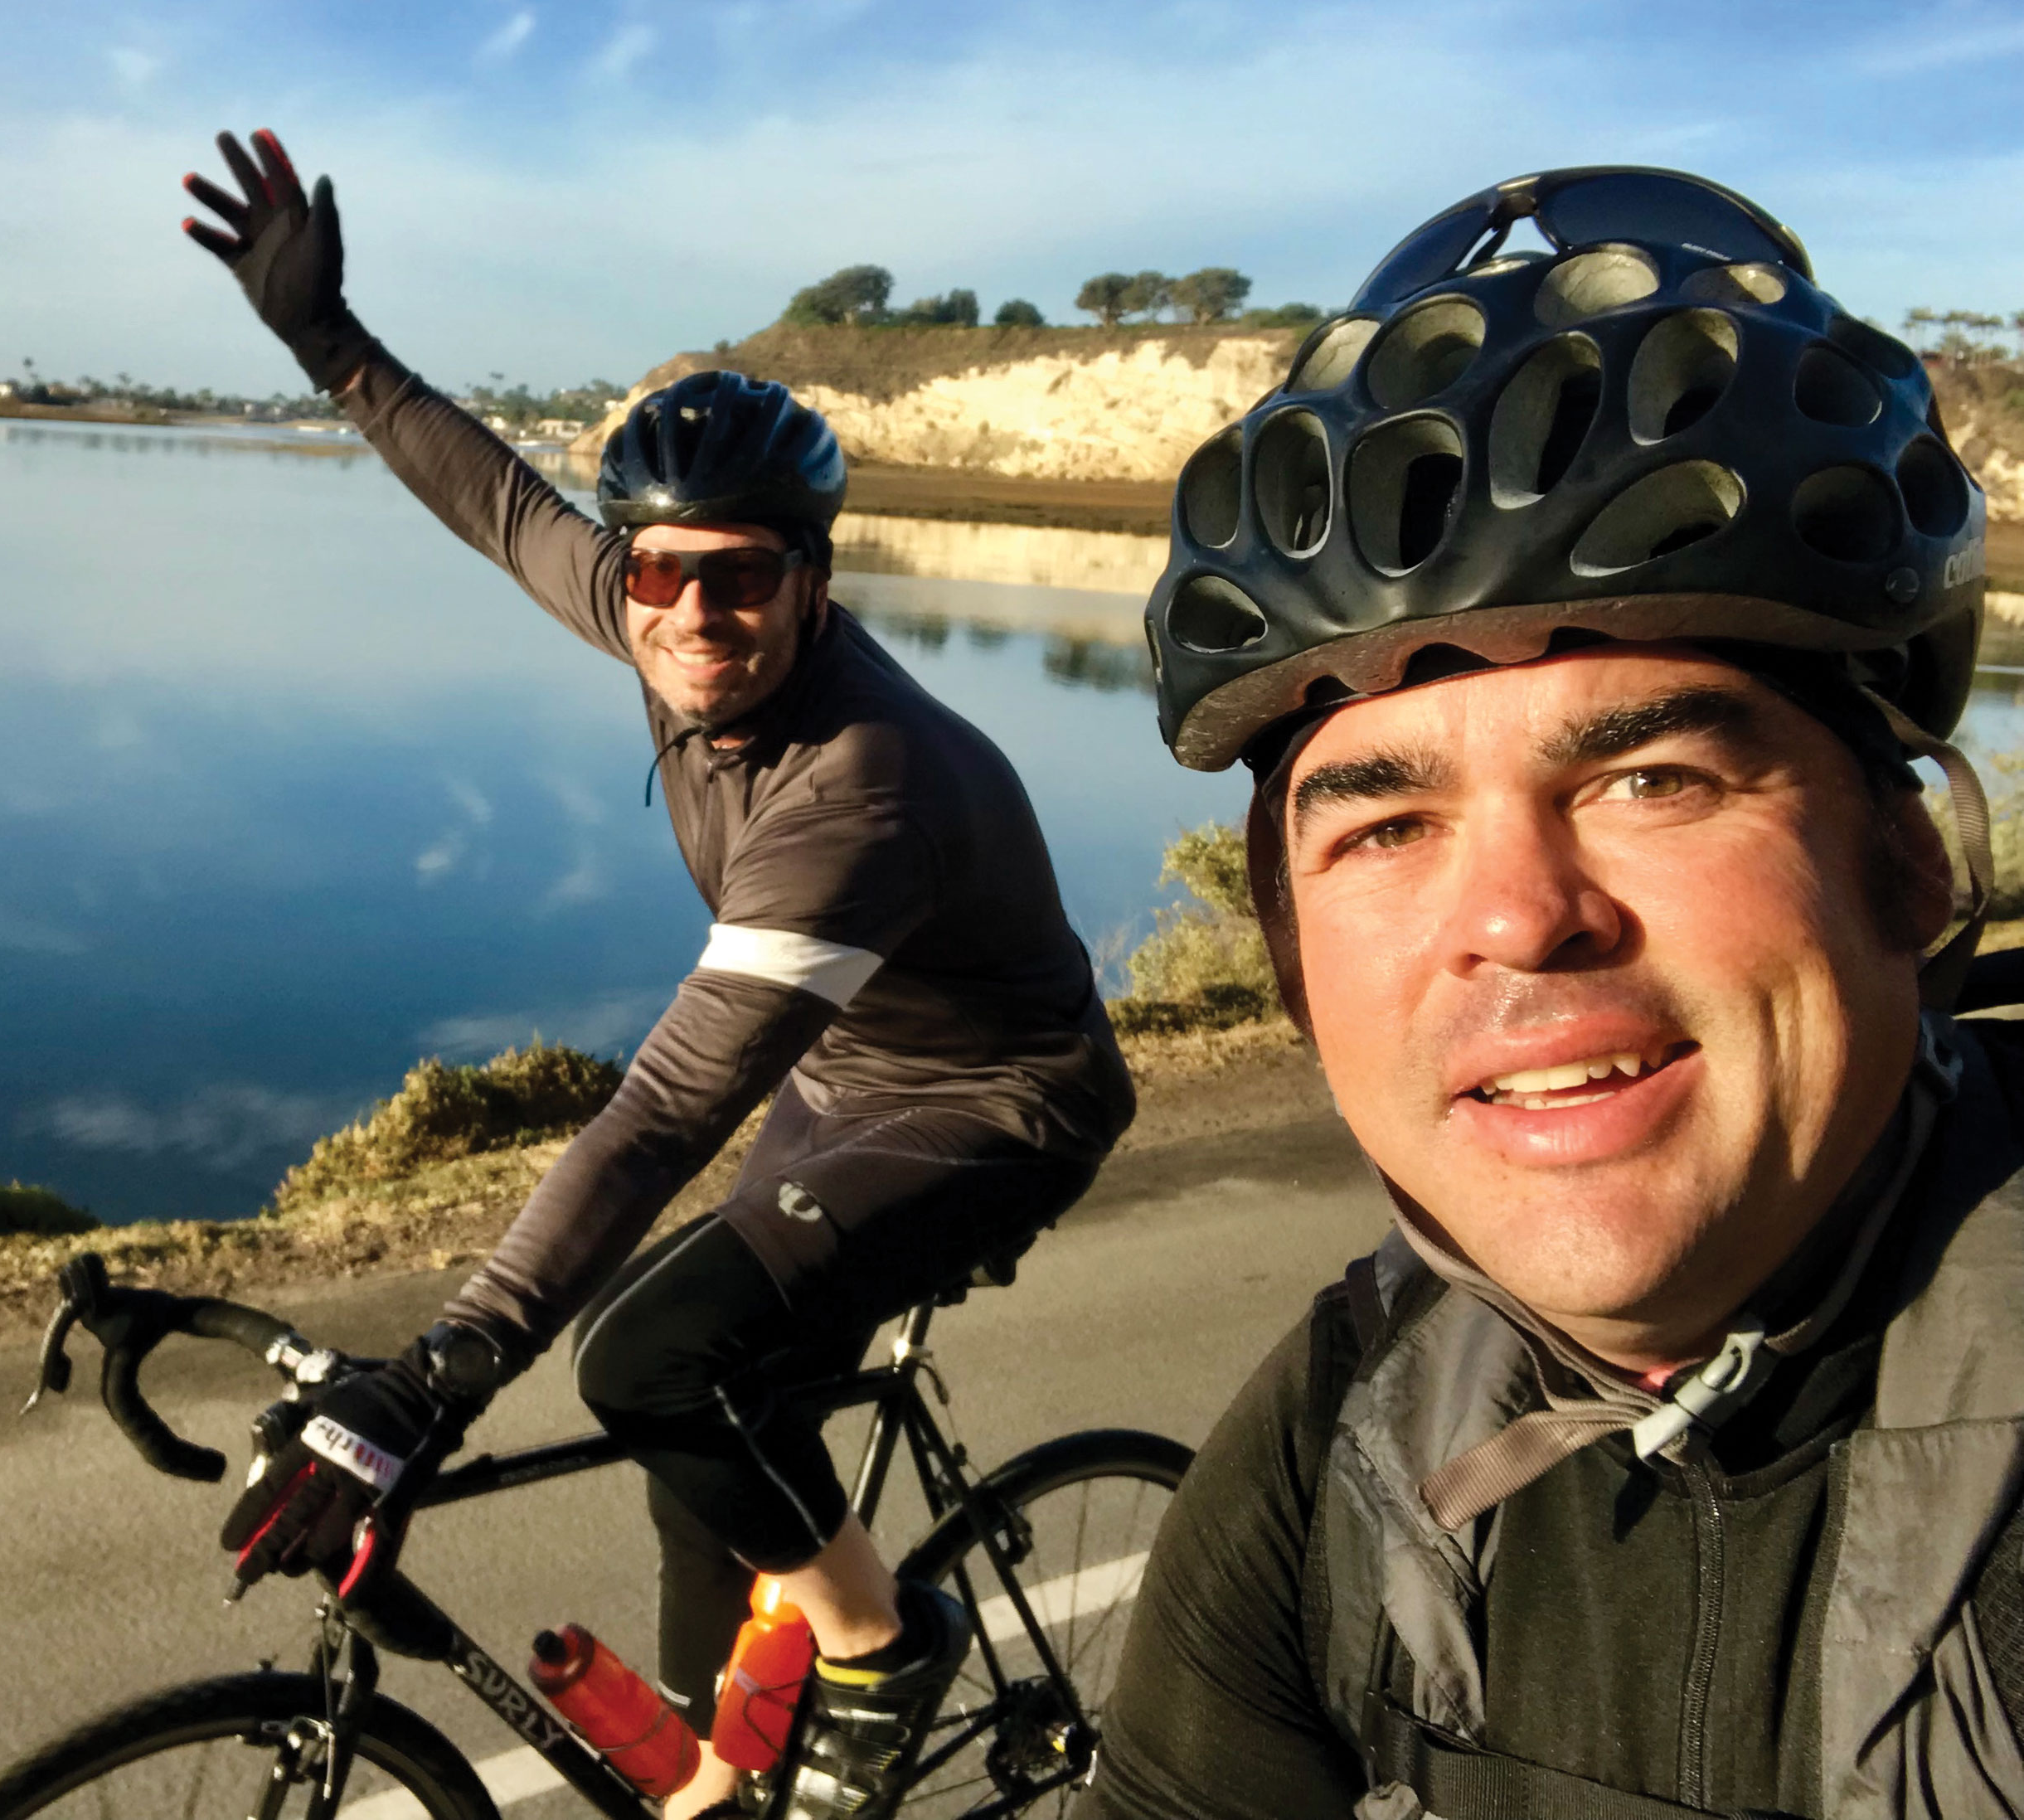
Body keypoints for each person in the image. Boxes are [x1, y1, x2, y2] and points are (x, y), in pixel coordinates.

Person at [178, 129, 1135, 1820]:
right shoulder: (657, 617)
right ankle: (722, 1792)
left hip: (999, 1102)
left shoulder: (864, 788)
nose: (692, 614)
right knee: (700, 1457)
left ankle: (887, 1644)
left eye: (742, 577)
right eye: (659, 572)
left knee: (647, 1360)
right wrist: (326, 340)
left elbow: (669, 1109)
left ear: (815, 581)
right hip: (846, 1084)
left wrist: (437, 1374)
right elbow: (496, 502)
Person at [1078, 167, 2012, 1819]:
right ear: (1296, 968)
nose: (1515, 919)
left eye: (1651, 778)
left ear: (1915, 861)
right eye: (1386, 822)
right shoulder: (1350, 1433)